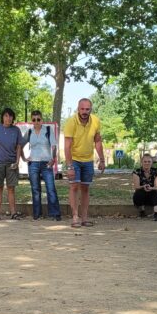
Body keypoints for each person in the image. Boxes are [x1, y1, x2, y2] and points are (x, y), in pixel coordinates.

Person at [63, 98, 105, 228]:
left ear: (91, 109)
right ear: (78, 109)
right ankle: (75, 216)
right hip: (74, 159)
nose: (85, 111)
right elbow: (67, 147)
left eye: (87, 109)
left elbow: (97, 141)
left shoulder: (96, 121)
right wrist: (70, 166)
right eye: (82, 109)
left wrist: (102, 159)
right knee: (74, 186)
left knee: (85, 188)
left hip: (88, 160)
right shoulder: (71, 122)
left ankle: (85, 217)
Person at [0, 107, 24, 221]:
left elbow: (18, 147)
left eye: (10, 116)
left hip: (11, 163)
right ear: (2, 117)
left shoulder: (16, 130)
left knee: (11, 188)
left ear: (13, 118)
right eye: (6, 116)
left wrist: (18, 161)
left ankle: (13, 213)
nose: (8, 118)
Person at [24, 110, 62, 221]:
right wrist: (23, 157)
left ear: (42, 120)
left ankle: (55, 214)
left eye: (38, 119)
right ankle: (37, 214)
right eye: (34, 119)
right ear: (32, 121)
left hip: (46, 163)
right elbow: (20, 144)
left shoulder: (48, 130)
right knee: (35, 189)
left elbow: (54, 146)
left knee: (50, 188)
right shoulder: (29, 132)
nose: (36, 122)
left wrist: (53, 158)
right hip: (33, 164)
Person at [132, 153, 157, 220]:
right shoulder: (136, 172)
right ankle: (142, 211)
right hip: (142, 196)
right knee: (138, 192)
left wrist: (151, 188)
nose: (147, 163)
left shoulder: (156, 171)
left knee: (156, 192)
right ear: (141, 162)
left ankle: (156, 213)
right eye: (145, 161)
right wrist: (143, 186)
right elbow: (136, 186)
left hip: (152, 197)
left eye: (149, 162)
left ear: (152, 163)